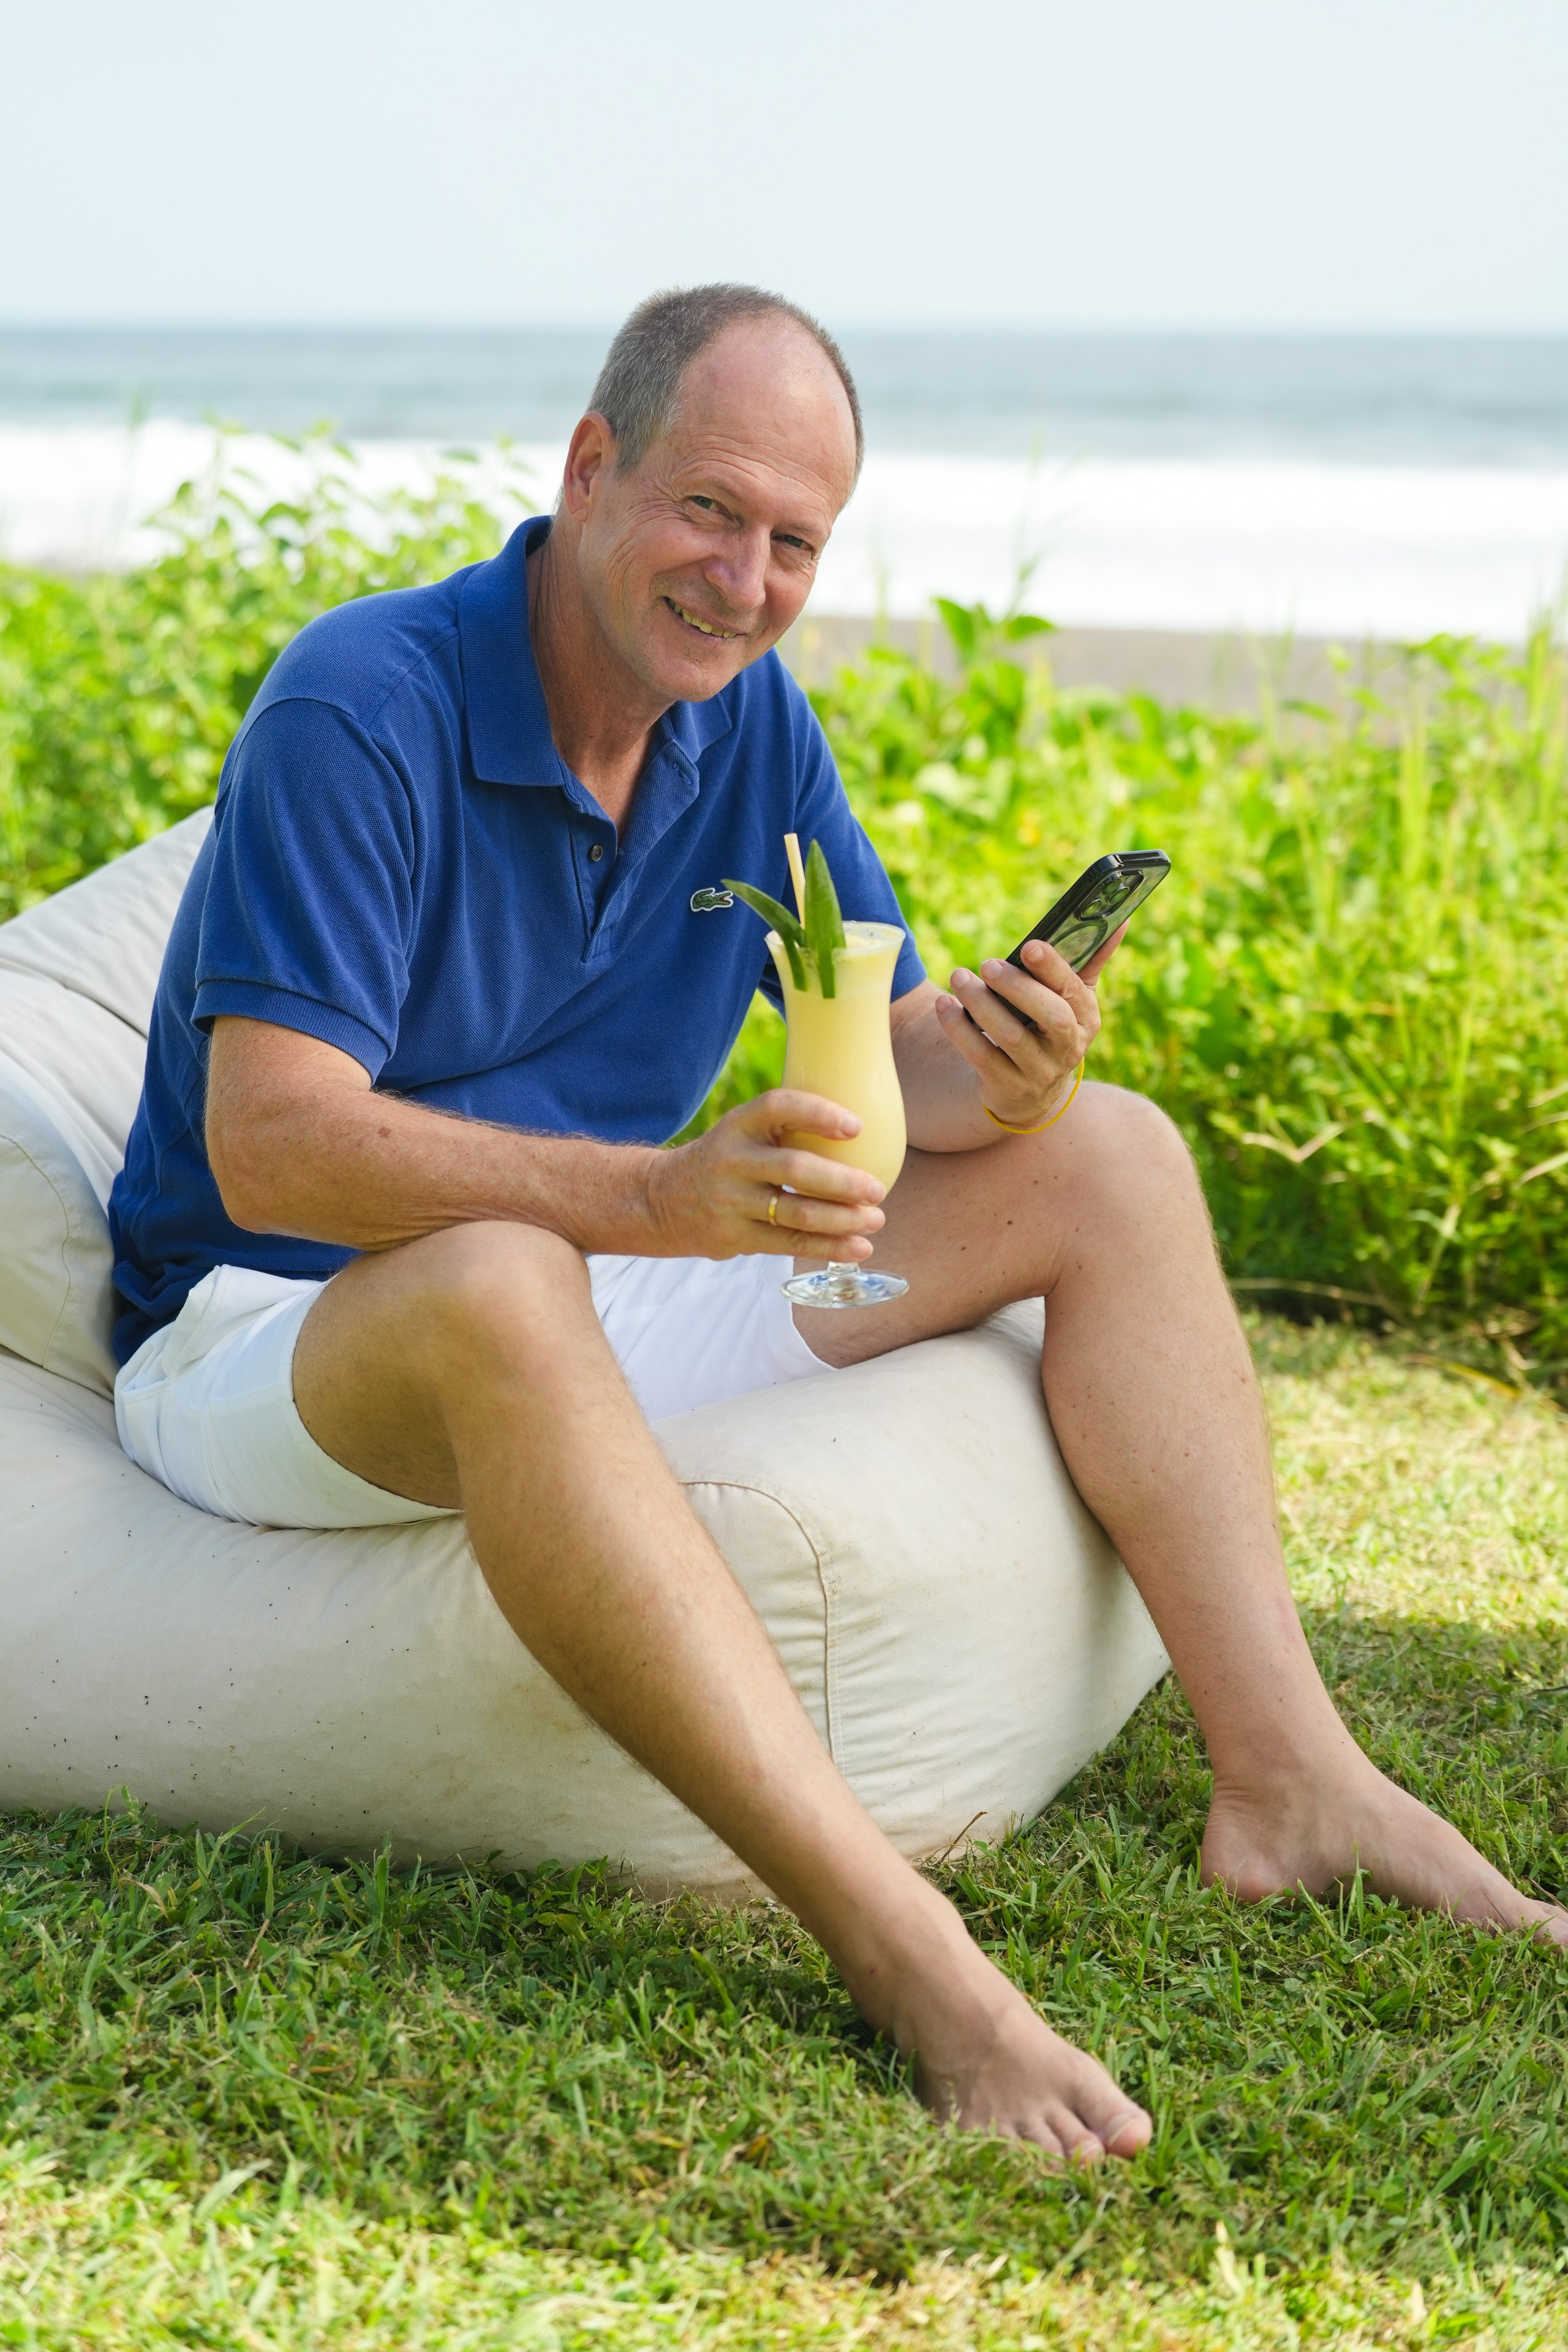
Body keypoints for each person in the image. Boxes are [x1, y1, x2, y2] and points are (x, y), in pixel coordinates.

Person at [108, 283, 1568, 2162]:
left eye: (798, 540)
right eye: (712, 510)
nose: (747, 578)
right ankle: (902, 1947)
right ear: (588, 466)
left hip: (592, 1277)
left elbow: (890, 1069)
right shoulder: (364, 700)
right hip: (271, 1328)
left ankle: (1291, 1781)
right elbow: (272, 1148)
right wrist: (658, 1197)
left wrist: (1010, 1072)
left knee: (1113, 1150)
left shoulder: (748, 725)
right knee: (496, 1278)